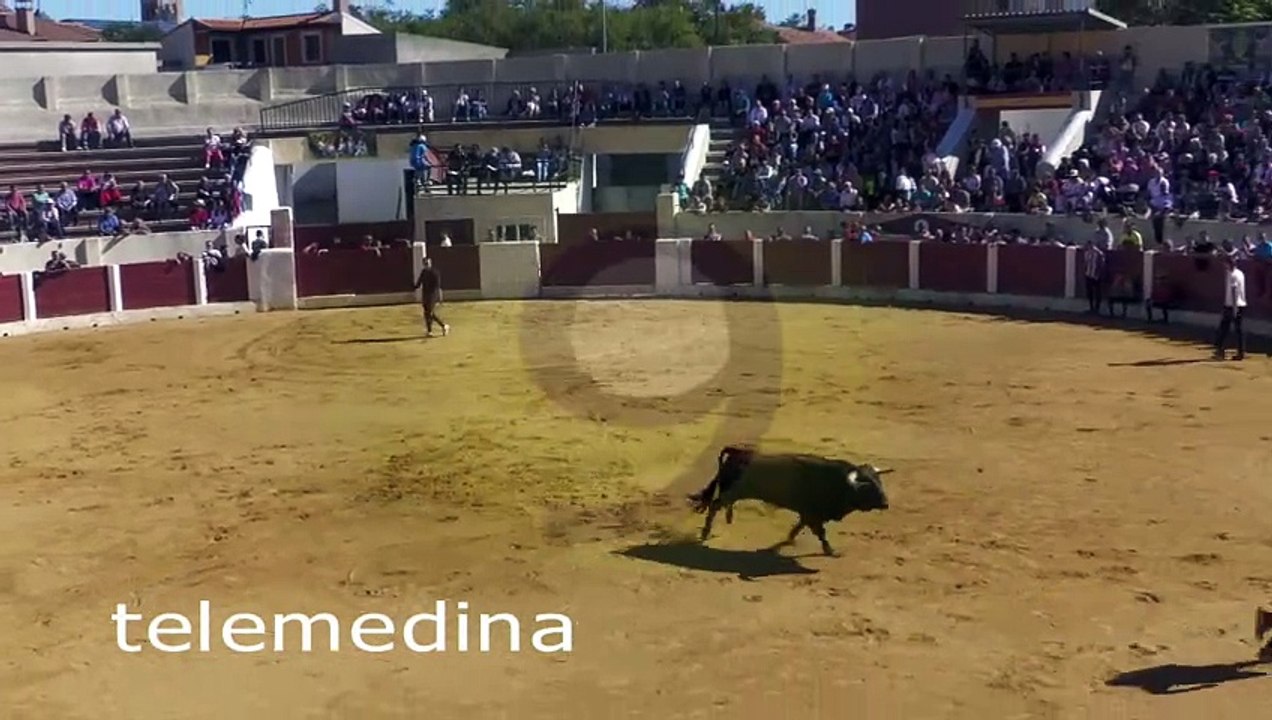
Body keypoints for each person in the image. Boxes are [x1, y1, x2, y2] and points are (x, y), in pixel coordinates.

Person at [1213, 253, 1246, 361]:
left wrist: (1234, 308)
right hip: (1239, 305)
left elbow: (1234, 291)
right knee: (1238, 330)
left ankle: (1220, 352)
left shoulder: (1233, 275)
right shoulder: (1239, 273)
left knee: (1224, 329)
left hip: (1233, 305)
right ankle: (1240, 353)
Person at [412, 257, 449, 337]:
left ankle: (443, 325)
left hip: (432, 295)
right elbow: (419, 283)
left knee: (430, 312)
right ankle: (430, 331)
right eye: (425, 263)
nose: (426, 265)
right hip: (425, 295)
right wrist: (413, 287)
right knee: (427, 313)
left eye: (427, 263)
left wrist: (439, 296)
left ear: (430, 263)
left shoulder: (435, 273)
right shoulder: (424, 272)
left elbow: (438, 286)